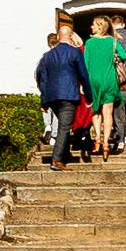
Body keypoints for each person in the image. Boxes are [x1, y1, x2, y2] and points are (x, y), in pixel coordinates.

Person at [34, 18, 89, 164]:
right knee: (65, 127)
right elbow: (83, 74)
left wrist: (44, 100)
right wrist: (89, 95)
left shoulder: (47, 56)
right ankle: (57, 160)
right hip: (68, 95)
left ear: (58, 37)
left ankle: (65, 154)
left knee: (63, 124)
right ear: (70, 36)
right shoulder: (75, 53)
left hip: (52, 97)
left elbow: (41, 78)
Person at [80, 18, 126, 158]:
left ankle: (97, 139)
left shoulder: (89, 43)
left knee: (95, 111)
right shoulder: (113, 41)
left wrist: (83, 84)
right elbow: (124, 56)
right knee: (108, 113)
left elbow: (85, 63)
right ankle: (106, 143)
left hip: (93, 80)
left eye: (94, 24)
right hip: (109, 79)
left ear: (100, 27)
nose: (91, 26)